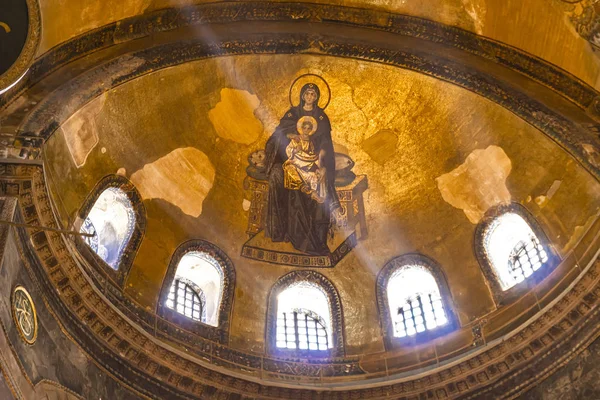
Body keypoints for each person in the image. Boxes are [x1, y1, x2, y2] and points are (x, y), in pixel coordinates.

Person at [264, 83, 340, 255]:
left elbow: (326, 144)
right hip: (290, 160)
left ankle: (318, 238)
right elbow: (279, 135)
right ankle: (281, 230)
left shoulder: (321, 117)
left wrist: (322, 164)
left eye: (313, 94)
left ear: (317, 97)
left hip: (313, 162)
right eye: (308, 93)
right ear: (302, 95)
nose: (310, 97)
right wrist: (293, 136)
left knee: (320, 185)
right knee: (278, 175)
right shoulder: (292, 113)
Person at [282, 116, 325, 203]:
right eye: (304, 128)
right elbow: (288, 149)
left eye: (309, 128)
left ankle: (313, 194)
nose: (306, 130)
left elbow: (312, 156)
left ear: (311, 130)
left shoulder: (311, 142)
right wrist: (295, 150)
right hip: (295, 162)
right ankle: (306, 189)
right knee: (289, 167)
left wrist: (316, 166)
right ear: (301, 128)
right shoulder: (297, 139)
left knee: (313, 175)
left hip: (307, 163)